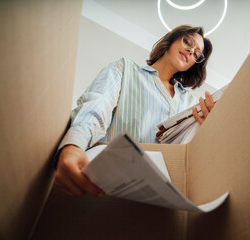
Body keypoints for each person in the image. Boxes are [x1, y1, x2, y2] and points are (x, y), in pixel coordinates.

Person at [54, 25, 216, 197]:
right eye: (187, 42)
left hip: (156, 199)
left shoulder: (190, 104)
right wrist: (73, 146)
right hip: (100, 185)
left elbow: (188, 158)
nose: (191, 51)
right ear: (171, 40)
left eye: (197, 54)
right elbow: (95, 110)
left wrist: (205, 131)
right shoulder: (125, 69)